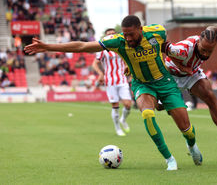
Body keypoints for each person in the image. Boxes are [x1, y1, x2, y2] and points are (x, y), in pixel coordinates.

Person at [25, 15, 207, 171]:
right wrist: (48, 47)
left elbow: (165, 48)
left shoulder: (158, 31)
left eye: (131, 34)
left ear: (141, 29)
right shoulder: (118, 41)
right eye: (125, 34)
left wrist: (181, 65)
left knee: (186, 129)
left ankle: (191, 145)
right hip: (142, 85)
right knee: (148, 114)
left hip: (165, 82)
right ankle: (169, 159)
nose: (127, 38)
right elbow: (82, 46)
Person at [163, 26, 217, 151]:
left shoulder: (208, 36)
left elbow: (212, 29)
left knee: (210, 96)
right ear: (198, 41)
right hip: (171, 77)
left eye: (210, 51)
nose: (205, 54)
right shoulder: (183, 49)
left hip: (191, 74)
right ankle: (191, 143)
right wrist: (181, 67)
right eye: (203, 50)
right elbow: (162, 47)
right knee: (161, 107)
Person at [92, 28, 131, 136]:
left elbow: (128, 60)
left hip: (122, 79)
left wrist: (129, 68)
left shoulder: (122, 47)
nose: (111, 35)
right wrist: (100, 73)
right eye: (109, 34)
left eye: (113, 34)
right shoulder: (103, 50)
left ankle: (123, 119)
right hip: (110, 80)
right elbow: (95, 63)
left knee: (128, 104)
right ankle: (118, 128)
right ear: (105, 37)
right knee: (115, 105)